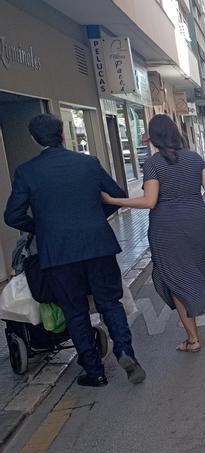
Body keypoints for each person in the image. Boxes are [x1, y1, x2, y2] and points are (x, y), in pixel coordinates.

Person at [4, 113, 145, 387]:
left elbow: (12, 216)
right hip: (97, 245)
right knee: (109, 302)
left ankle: (94, 372)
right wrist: (94, 218)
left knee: (75, 311)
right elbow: (116, 195)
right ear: (63, 135)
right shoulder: (88, 163)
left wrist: (40, 228)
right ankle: (125, 352)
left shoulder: (27, 171)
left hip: (58, 254)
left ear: (35, 139)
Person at [102, 114, 205, 353]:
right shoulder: (195, 158)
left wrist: (114, 200)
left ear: (154, 137)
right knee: (203, 271)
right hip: (198, 221)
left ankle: (193, 340)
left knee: (174, 280)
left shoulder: (153, 163)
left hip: (168, 228)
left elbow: (150, 200)